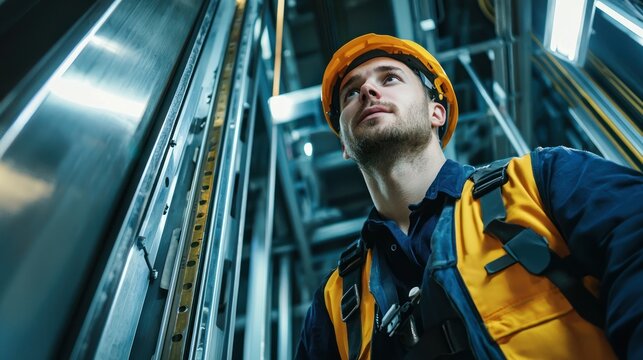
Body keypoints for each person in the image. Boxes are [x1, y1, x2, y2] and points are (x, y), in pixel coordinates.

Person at [295, 33, 643, 360]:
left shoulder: (539, 180)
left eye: (389, 79)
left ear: (437, 112)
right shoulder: (335, 302)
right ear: (344, 145)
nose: (368, 90)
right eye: (351, 93)